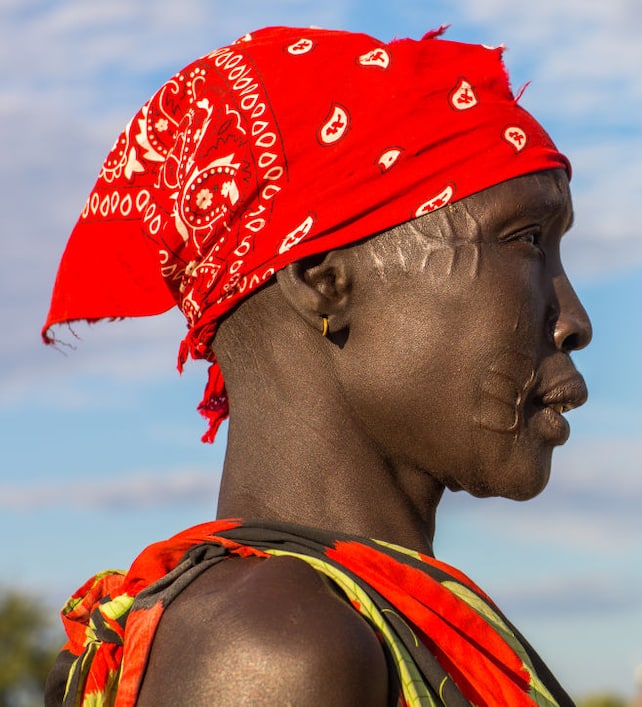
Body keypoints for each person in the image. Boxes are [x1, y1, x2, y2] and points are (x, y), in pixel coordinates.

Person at [42, 25, 591, 707]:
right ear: (323, 278)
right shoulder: (272, 650)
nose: (573, 320)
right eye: (527, 239)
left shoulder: (361, 621)